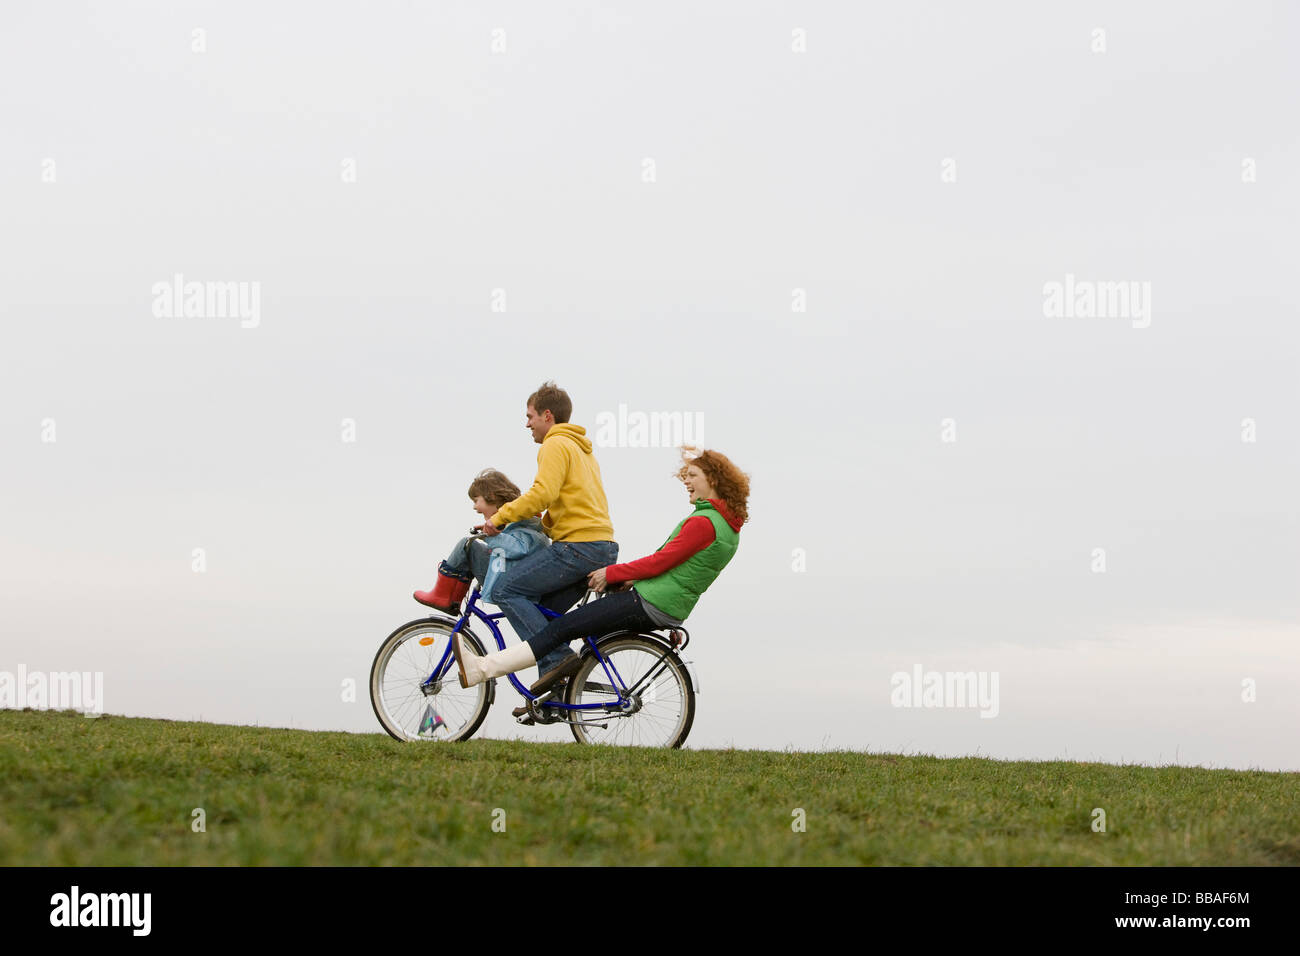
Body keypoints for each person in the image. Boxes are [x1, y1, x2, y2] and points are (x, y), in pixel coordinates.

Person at [452, 445, 749, 693]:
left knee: (561, 628)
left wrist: (614, 573)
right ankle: (560, 688)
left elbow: (661, 561)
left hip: (650, 602)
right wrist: (629, 579)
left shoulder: (703, 523)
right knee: (570, 627)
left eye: (693, 476)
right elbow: (680, 569)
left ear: (713, 479)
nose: (686, 481)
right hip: (663, 603)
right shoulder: (727, 528)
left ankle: (482, 669)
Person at [476, 382, 619, 701]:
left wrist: (499, 518)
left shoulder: (554, 445)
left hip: (578, 548)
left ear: (547, 415)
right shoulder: (581, 450)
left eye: (530, 416)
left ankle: (557, 659)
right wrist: (542, 523)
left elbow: (542, 493)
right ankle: (553, 697)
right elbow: (564, 503)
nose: (527, 423)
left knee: (505, 589)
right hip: (600, 547)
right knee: (538, 613)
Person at [413, 469, 550, 614]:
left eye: (476, 500)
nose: (474, 506)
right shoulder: (522, 522)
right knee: (470, 550)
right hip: (517, 578)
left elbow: (518, 548)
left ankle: (441, 596)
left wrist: (490, 536)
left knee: (467, 546)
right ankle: (452, 600)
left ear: (490, 496)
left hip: (513, 584)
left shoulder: (525, 523)